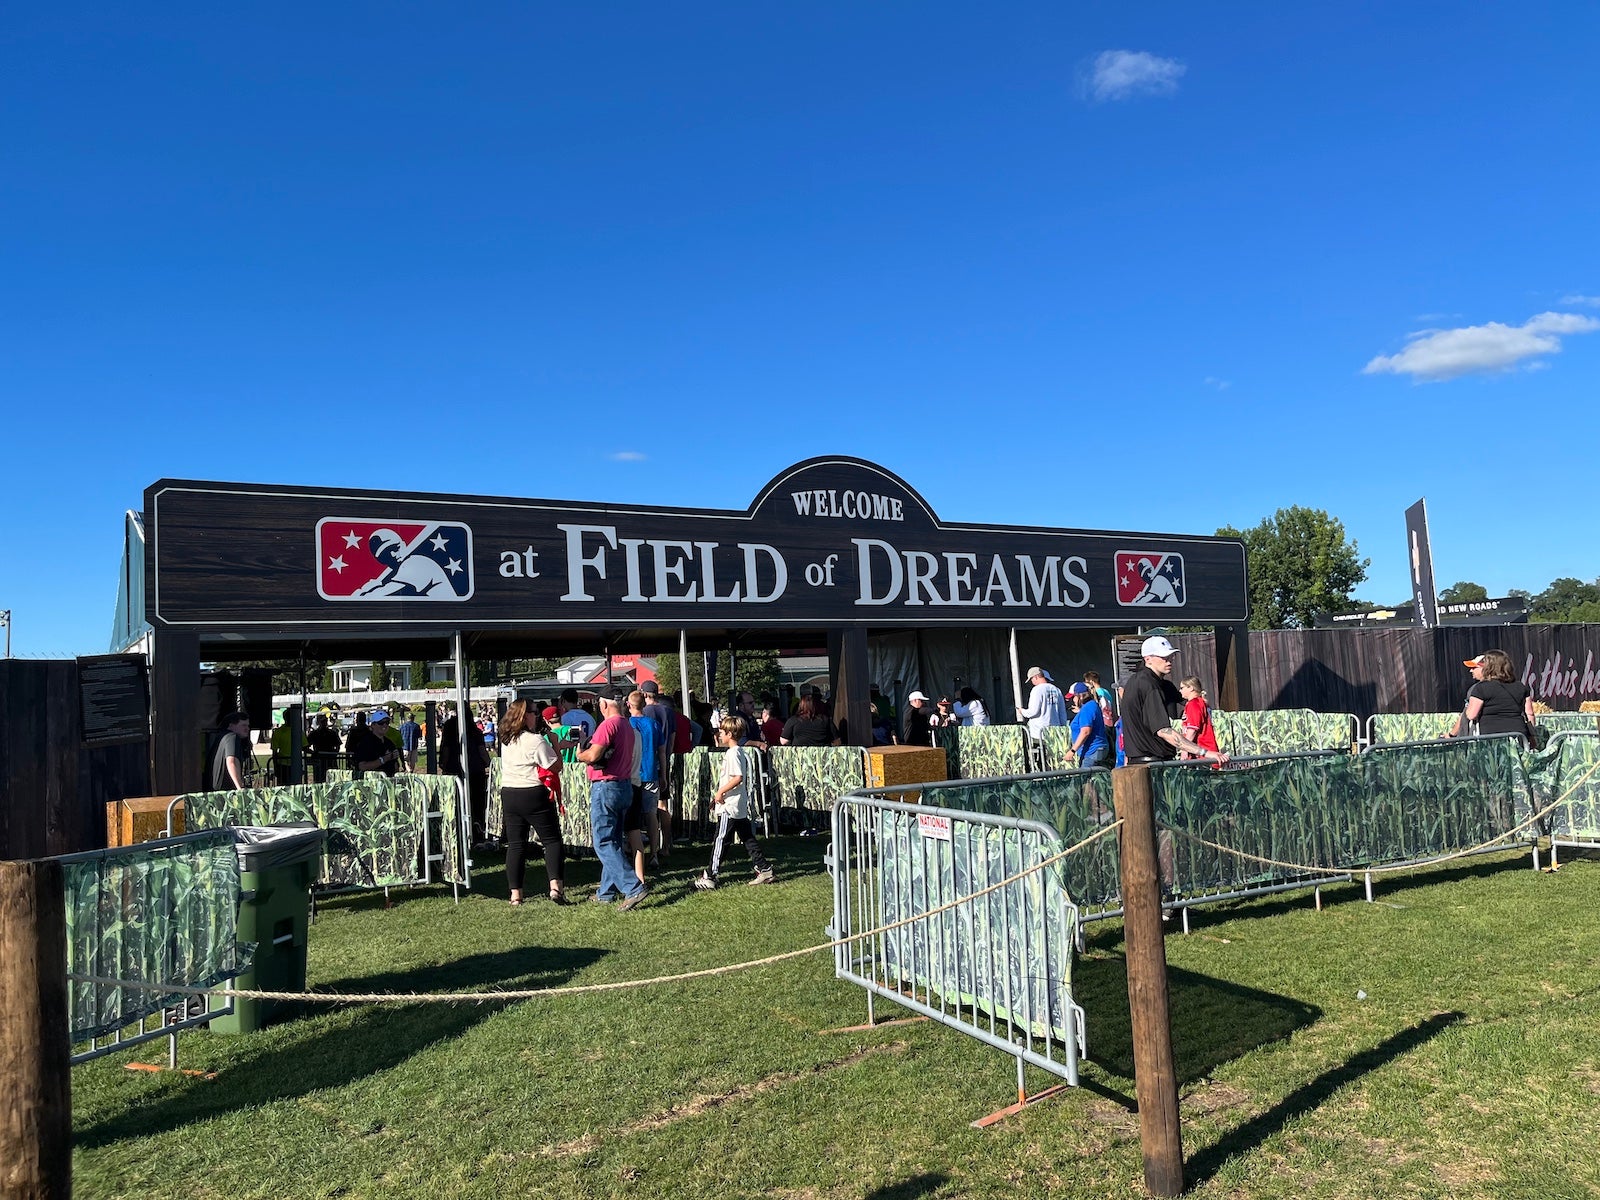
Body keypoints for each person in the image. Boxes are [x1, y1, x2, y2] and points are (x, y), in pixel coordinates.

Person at [577, 692, 648, 909]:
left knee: (604, 842)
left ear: (604, 704)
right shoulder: (627, 725)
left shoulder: (608, 726)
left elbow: (593, 756)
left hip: (606, 786)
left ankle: (633, 887)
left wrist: (580, 751)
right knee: (614, 840)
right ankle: (606, 892)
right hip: (624, 785)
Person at [496, 701, 567, 905]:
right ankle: (556, 887)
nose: (537, 716)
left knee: (516, 845)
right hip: (533, 792)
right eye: (534, 713)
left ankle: (515, 895)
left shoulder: (506, 739)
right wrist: (554, 743)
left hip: (509, 792)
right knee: (551, 840)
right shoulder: (535, 740)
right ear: (525, 716)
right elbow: (556, 766)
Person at [694, 717, 777, 889]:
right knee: (747, 838)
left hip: (730, 806)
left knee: (721, 839)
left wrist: (720, 792)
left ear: (729, 734)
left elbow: (737, 777)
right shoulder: (739, 752)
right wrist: (717, 796)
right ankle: (764, 868)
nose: (719, 735)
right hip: (736, 804)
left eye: (722, 732)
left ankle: (710, 875)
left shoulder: (733, 753)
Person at [1120, 638, 1227, 766]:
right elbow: (1163, 731)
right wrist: (1206, 752)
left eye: (1171, 656)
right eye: (1163, 656)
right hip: (1151, 765)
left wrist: (1199, 703)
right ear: (1147, 659)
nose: (1168, 660)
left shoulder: (1154, 683)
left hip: (1144, 762)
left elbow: (1187, 700)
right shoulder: (1149, 685)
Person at [1448, 650, 1536, 740]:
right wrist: (1532, 737)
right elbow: (1530, 714)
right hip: (1518, 735)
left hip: (1492, 740)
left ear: (1488, 667)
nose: (1471, 671)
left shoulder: (1480, 688)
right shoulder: (1521, 687)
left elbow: (1471, 715)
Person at [627, 690, 661, 879]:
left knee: (631, 818)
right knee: (651, 815)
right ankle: (654, 853)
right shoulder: (653, 725)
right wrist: (662, 774)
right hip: (650, 773)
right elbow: (662, 751)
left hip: (632, 775)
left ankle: (633, 854)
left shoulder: (627, 724)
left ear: (629, 705)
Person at [1068, 683, 1112, 769]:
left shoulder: (1087, 708)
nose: (1073, 700)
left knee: (1084, 780)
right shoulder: (1091, 705)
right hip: (1096, 750)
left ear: (1079, 696)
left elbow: (1085, 731)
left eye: (1074, 697)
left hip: (1091, 752)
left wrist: (1072, 751)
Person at [1178, 677, 1220, 762]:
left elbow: (1193, 729)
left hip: (1202, 753)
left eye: (1182, 688)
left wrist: (1185, 749)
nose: (1180, 691)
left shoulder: (1194, 704)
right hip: (1205, 751)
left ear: (1191, 688)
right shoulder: (1200, 702)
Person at [210, 711, 255, 791]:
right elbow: (231, 761)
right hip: (225, 792)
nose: (247, 728)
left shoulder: (221, 737)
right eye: (243, 725)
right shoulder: (232, 737)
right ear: (230, 726)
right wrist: (240, 788)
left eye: (248, 725)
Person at [1017, 666, 1068, 734]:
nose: (1032, 682)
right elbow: (1062, 712)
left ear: (1036, 677)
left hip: (1039, 732)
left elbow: (1033, 712)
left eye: (1031, 679)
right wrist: (1063, 728)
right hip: (1055, 731)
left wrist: (1022, 711)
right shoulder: (1056, 689)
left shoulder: (1037, 690)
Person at [351, 710, 401, 777]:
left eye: (387, 722)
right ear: (373, 725)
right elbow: (362, 766)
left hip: (389, 781)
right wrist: (385, 759)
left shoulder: (389, 743)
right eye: (381, 723)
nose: (385, 725)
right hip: (371, 782)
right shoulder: (365, 743)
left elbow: (395, 764)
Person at [305, 713, 342, 782]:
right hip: (319, 760)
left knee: (332, 780)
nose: (324, 723)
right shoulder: (314, 734)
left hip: (330, 760)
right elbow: (305, 747)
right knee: (319, 781)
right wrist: (314, 753)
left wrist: (335, 754)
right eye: (322, 721)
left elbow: (338, 745)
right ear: (318, 722)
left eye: (325, 721)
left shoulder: (332, 733)